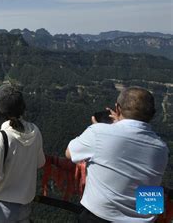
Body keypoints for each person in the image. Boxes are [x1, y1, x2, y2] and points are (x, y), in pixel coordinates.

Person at [66, 87, 169, 222]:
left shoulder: (99, 133)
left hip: (99, 218)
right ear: (152, 114)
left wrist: (97, 129)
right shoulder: (162, 148)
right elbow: (149, 184)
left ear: (117, 108)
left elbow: (69, 153)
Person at [0, 84, 45, 223]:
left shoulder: (1, 137)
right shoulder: (35, 131)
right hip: (25, 206)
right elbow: (40, 162)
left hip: (0, 208)